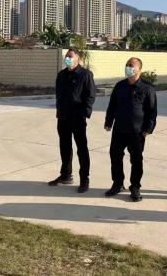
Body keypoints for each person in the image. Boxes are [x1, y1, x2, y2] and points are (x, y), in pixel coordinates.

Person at [104, 57, 157, 202]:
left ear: (139, 69)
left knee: (136, 159)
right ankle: (117, 184)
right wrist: (108, 121)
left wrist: (149, 128)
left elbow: (152, 110)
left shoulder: (147, 87)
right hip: (119, 129)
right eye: (127, 65)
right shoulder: (120, 86)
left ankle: (135, 187)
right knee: (115, 156)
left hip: (137, 131)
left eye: (131, 65)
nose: (128, 67)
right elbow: (112, 105)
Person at [49, 47, 96, 193]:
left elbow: (90, 96)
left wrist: (84, 113)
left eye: (70, 56)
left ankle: (84, 179)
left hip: (77, 117)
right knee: (65, 147)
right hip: (63, 116)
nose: (67, 59)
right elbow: (59, 94)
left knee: (81, 148)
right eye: (66, 56)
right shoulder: (61, 75)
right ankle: (65, 175)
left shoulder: (85, 74)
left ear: (78, 59)